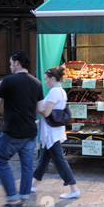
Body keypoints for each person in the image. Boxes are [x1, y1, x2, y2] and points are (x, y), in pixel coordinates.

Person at [0, 51, 44, 207]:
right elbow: (40, 109)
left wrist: (0, 88)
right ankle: (23, 199)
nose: (9, 66)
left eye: (10, 63)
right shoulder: (36, 83)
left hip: (12, 131)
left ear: (16, 63)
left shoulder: (8, 81)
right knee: (27, 166)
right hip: (30, 131)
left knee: (0, 159)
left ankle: (12, 198)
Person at [31, 66, 80, 199]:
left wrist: (35, 106)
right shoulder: (61, 91)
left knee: (59, 160)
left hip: (51, 132)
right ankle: (33, 185)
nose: (45, 82)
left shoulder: (54, 92)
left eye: (47, 79)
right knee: (44, 159)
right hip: (53, 131)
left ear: (53, 79)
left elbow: (46, 112)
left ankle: (73, 188)